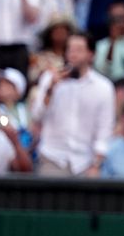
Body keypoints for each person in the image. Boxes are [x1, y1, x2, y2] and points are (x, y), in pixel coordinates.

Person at [29, 32, 115, 177]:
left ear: (91, 54)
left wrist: (96, 164)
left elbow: (104, 130)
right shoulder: (49, 79)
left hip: (85, 162)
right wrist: (51, 89)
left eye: (79, 50)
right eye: (70, 49)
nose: (72, 54)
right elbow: (37, 116)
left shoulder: (104, 87)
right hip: (53, 157)